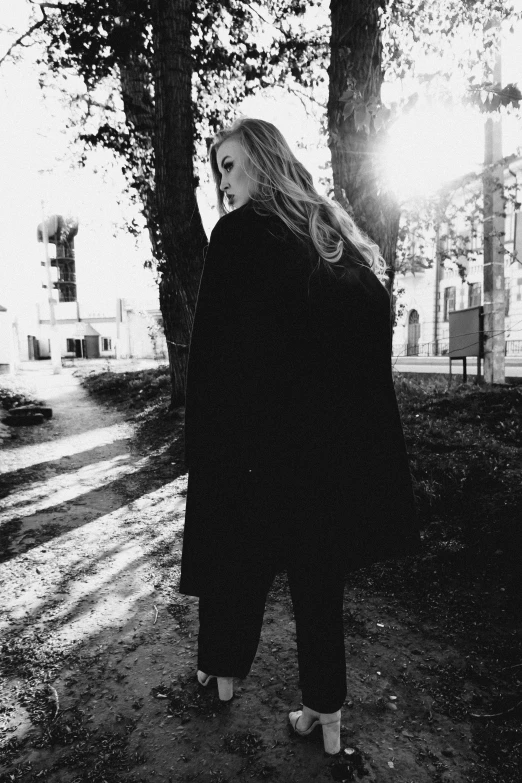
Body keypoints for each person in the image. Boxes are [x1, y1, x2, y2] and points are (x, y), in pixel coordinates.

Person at [179, 118, 419, 755]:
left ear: (261, 158)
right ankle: (326, 714)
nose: (223, 183)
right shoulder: (328, 234)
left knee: (234, 554)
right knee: (318, 585)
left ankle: (223, 673)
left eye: (230, 166)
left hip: (258, 445)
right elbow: (367, 337)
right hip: (325, 455)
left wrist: (204, 438)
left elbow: (212, 354)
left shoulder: (237, 234)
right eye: (217, 171)